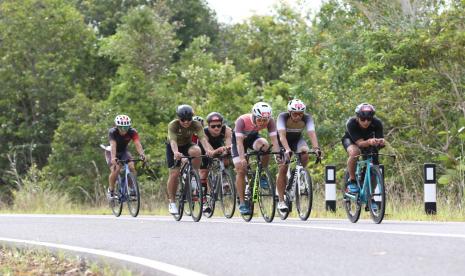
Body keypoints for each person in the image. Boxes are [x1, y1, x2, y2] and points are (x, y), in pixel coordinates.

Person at [232, 102, 281, 215]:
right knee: (241, 169)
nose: (262, 123)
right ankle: (243, 203)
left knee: (266, 147)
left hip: (253, 138)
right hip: (239, 142)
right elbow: (239, 143)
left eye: (265, 120)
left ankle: (261, 173)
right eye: (259, 120)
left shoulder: (271, 121)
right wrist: (242, 157)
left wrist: (278, 154)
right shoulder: (242, 120)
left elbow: (274, 140)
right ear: (253, 116)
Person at [166, 105, 214, 215]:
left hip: (187, 145)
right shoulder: (173, 125)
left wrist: (208, 150)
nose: (186, 122)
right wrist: (176, 153)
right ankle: (172, 202)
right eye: (183, 119)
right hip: (173, 147)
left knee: (197, 150)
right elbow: (173, 141)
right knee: (174, 174)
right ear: (179, 118)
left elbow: (202, 138)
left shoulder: (196, 124)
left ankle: (193, 175)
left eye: (189, 119)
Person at [276, 99, 322, 212]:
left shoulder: (307, 118)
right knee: (283, 167)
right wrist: (287, 150)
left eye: (300, 114)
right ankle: (281, 201)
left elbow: (311, 133)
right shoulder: (282, 117)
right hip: (282, 142)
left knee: (305, 153)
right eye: (295, 114)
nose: (298, 116)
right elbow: (281, 136)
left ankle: (299, 172)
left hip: (297, 140)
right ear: (289, 112)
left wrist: (316, 148)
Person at [342, 103, 385, 195]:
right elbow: (360, 144)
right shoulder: (351, 123)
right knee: (355, 152)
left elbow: (379, 140)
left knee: (375, 165)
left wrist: (380, 143)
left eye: (369, 119)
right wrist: (370, 142)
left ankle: (370, 196)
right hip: (351, 140)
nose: (366, 122)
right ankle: (352, 180)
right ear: (357, 117)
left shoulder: (377, 123)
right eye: (362, 119)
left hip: (368, 141)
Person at [198, 112, 233, 213]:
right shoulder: (203, 132)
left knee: (226, 158)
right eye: (213, 126)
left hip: (219, 144)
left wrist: (226, 150)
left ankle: (224, 178)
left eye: (219, 125)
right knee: (204, 172)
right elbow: (210, 152)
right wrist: (217, 152)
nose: (216, 128)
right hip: (205, 148)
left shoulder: (227, 130)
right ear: (208, 126)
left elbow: (228, 145)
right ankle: (203, 200)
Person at [106, 115, 146, 199]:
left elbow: (137, 144)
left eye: (126, 127)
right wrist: (113, 157)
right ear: (117, 126)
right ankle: (111, 190)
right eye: (121, 127)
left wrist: (142, 155)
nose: (124, 130)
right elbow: (113, 145)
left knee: (131, 166)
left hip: (123, 152)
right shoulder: (112, 132)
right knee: (116, 169)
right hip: (111, 152)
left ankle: (132, 188)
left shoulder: (132, 132)